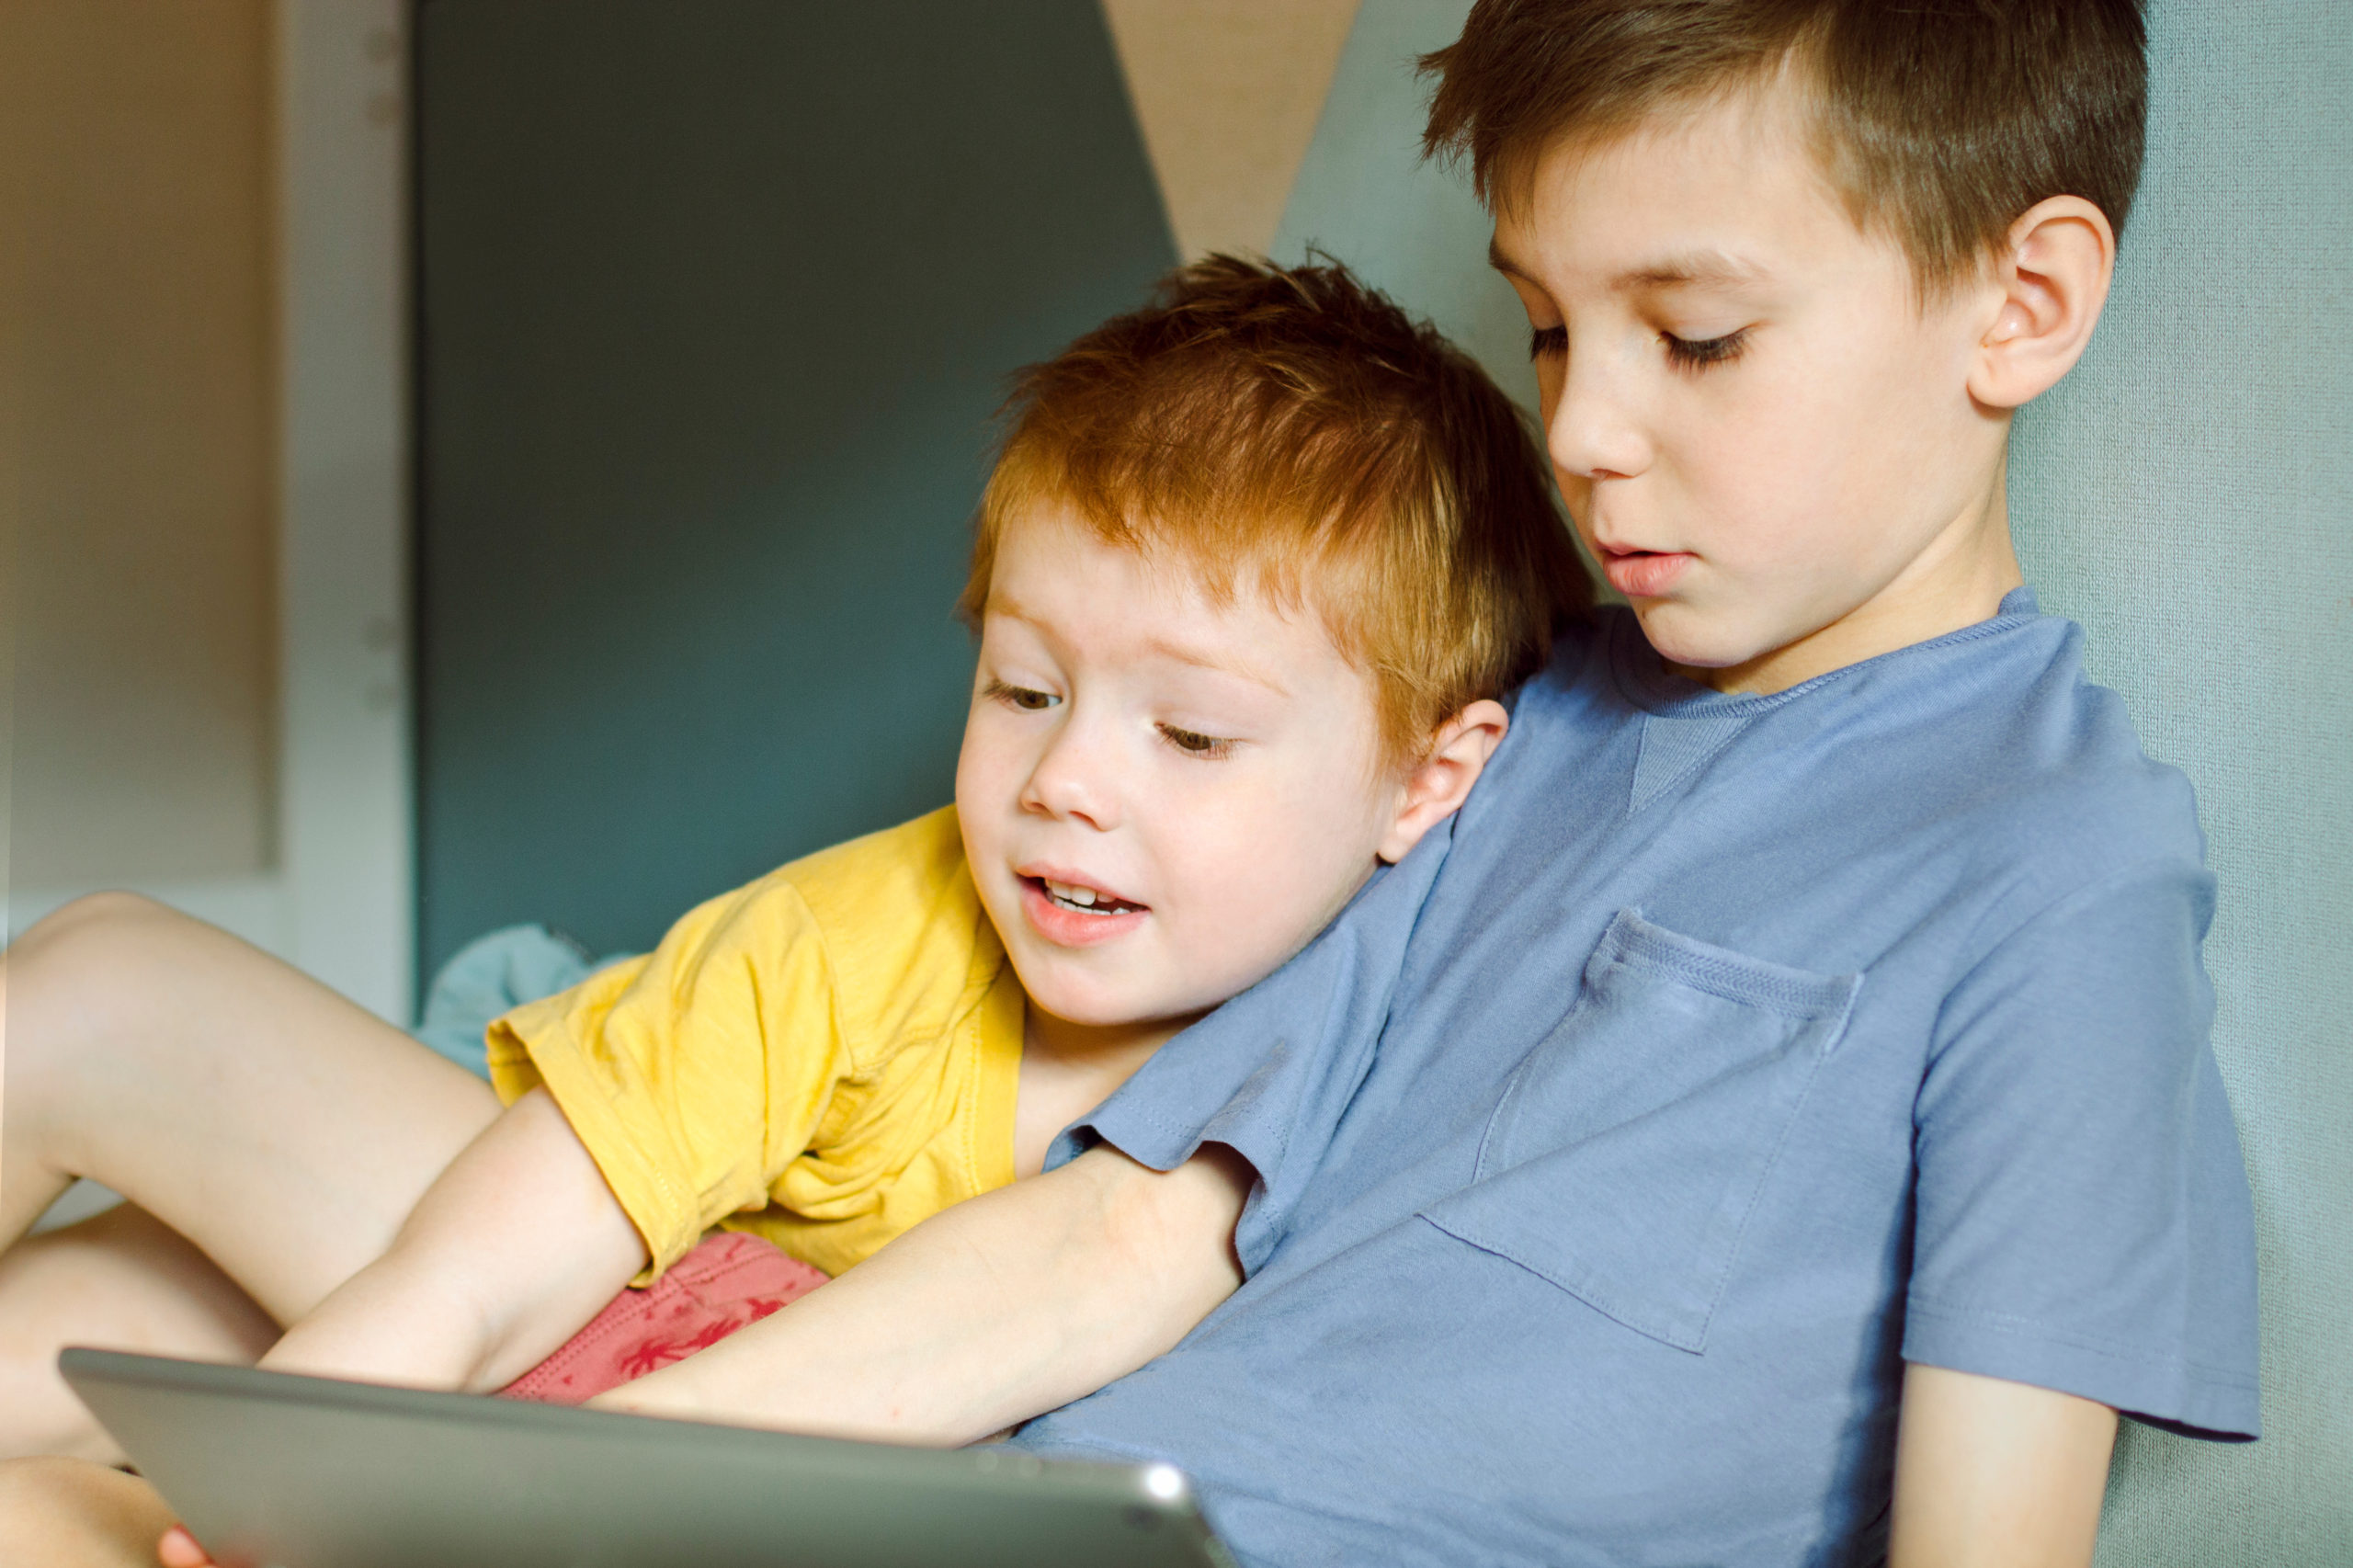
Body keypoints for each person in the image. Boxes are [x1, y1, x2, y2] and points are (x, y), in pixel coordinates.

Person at [10, 0, 2270, 1561]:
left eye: (1692, 337)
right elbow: (1116, 1235)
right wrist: (572, 1478)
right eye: (1551, 330)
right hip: (964, 1478)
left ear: (2020, 305)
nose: (1582, 429)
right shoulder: (1525, 726)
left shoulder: (2045, 869)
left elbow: (1988, 1537)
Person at [0, 259, 1590, 1556]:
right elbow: (482, 1262)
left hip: (755, 1447)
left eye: (1189, 733)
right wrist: (305, 1484)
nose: (1067, 781)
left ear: (1428, 779)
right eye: (1023, 686)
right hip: (576, 1303)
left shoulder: (1411, 994)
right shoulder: (865, 933)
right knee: (99, 993)